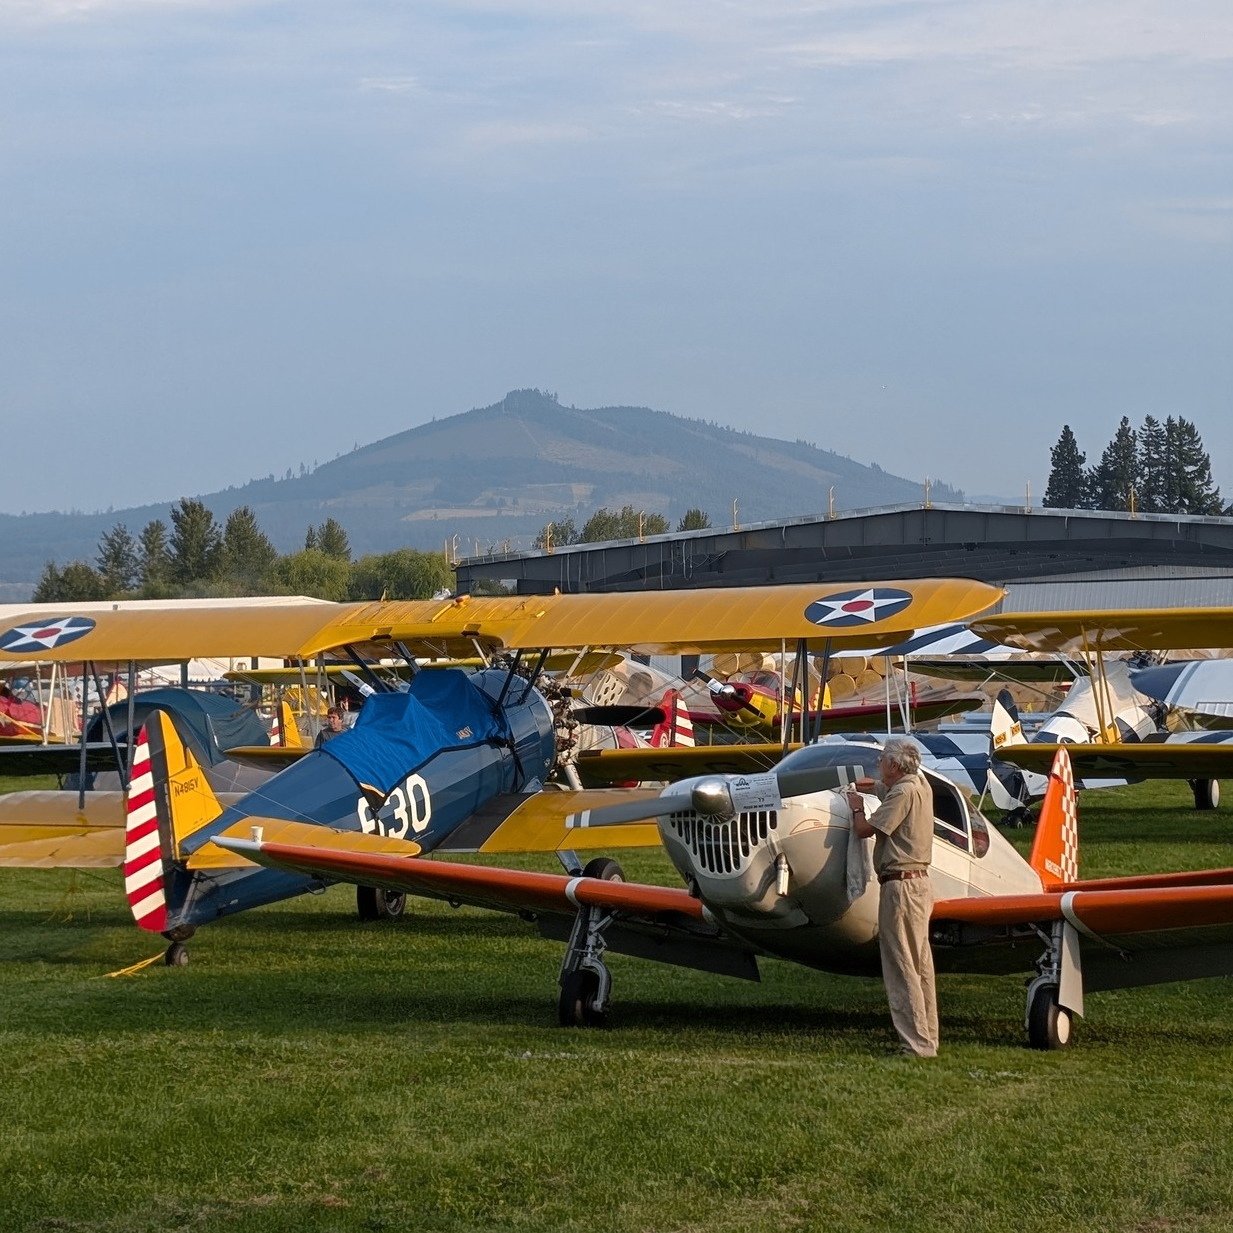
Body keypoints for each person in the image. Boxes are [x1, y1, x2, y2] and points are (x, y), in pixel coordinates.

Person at [846, 738, 939, 1057]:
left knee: (901, 963)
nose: (879, 765)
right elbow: (885, 789)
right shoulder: (919, 785)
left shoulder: (902, 791)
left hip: (901, 887)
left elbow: (864, 830)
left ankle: (916, 1044)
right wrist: (864, 786)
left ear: (895, 766)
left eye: (883, 761)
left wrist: (856, 807)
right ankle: (928, 1036)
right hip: (919, 884)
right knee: (920, 962)